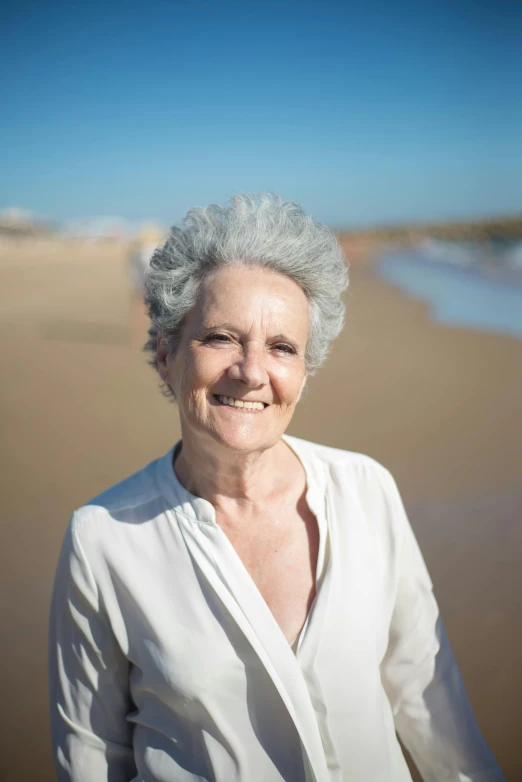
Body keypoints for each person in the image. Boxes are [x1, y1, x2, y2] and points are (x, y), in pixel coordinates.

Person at [48, 194, 504, 782]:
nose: (251, 371)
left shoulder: (366, 490)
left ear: (304, 372)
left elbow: (425, 691)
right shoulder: (103, 538)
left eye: (282, 348)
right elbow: (88, 756)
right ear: (166, 355)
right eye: (220, 337)